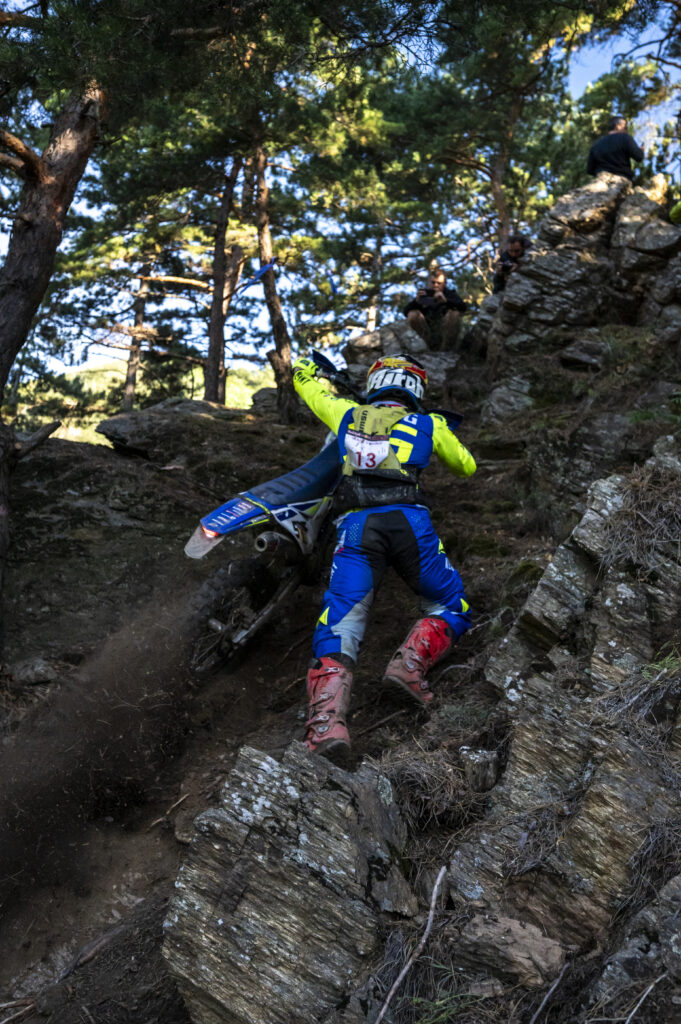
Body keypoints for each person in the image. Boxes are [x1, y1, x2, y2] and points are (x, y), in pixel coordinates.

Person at [292, 353, 476, 758]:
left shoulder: (346, 413)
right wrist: (438, 431)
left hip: (355, 528)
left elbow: (308, 388)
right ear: (416, 389)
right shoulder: (429, 423)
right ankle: (409, 666)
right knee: (450, 604)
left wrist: (305, 369)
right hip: (411, 523)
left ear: (375, 382)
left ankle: (326, 726)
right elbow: (466, 466)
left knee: (340, 622)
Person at [402, 269, 467, 350]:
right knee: (413, 314)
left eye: (439, 283)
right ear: (429, 282)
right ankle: (426, 346)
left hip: (445, 332)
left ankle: (447, 348)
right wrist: (416, 301)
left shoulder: (450, 294)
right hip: (427, 333)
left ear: (444, 284)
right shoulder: (424, 294)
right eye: (433, 282)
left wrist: (446, 301)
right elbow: (405, 312)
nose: (435, 285)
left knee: (454, 314)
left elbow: (463, 307)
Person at [587, 115, 644, 181]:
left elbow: (590, 170)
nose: (626, 129)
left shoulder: (596, 144)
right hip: (621, 180)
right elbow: (638, 157)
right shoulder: (625, 138)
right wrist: (641, 151)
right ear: (617, 126)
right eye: (625, 126)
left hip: (600, 180)